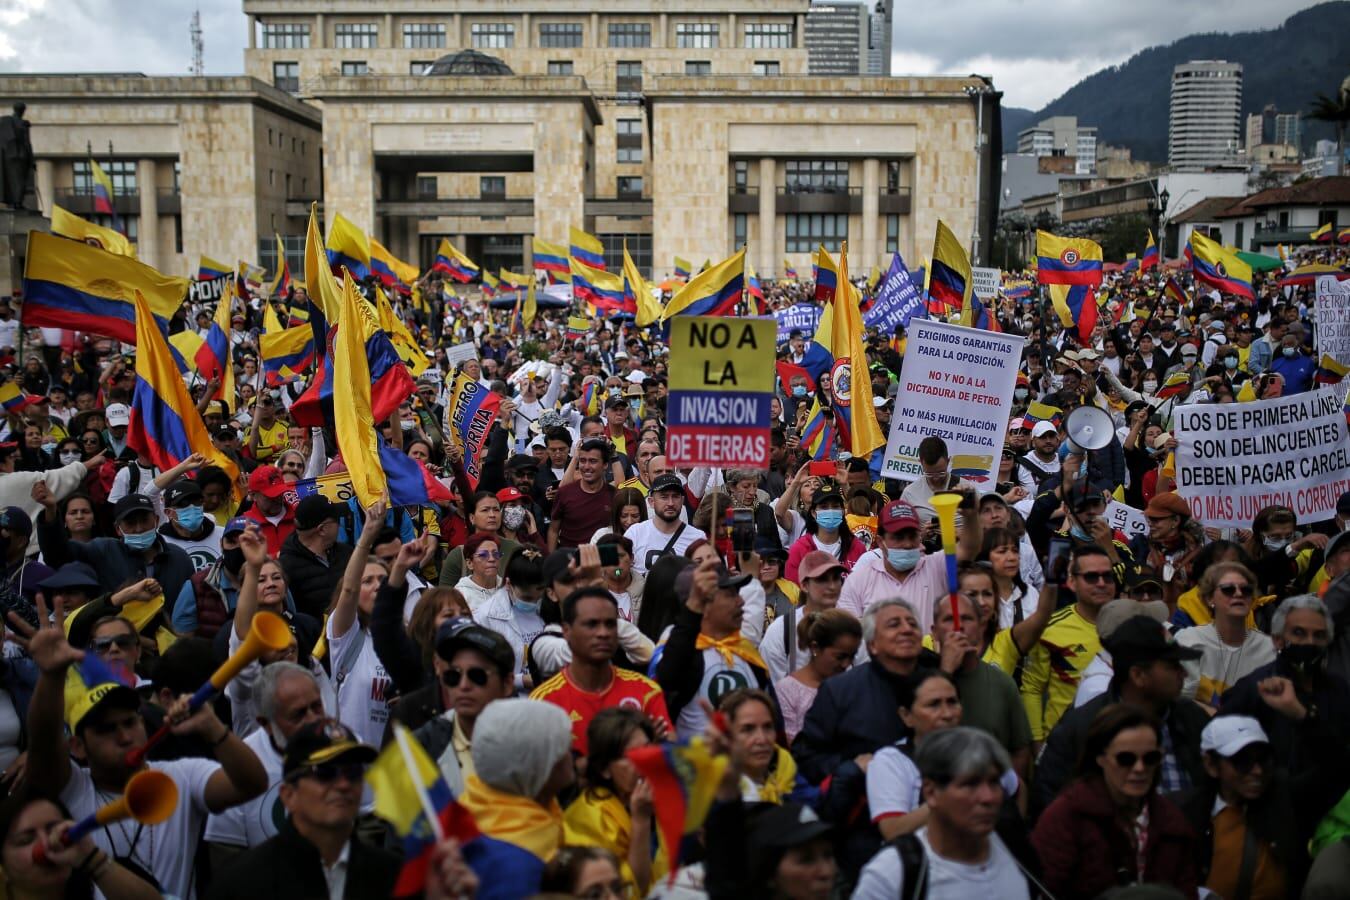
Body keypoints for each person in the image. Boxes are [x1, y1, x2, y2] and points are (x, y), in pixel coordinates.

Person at [24, 594, 268, 899]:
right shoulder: (74, 789)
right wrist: (50, 675)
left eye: (130, 722)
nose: (124, 736)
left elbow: (253, 783)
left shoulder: (182, 776)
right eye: (106, 729)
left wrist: (214, 729)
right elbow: (43, 743)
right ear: (78, 747)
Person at [204, 719, 399, 900]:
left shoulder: (395, 879)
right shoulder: (242, 884)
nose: (343, 785)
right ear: (289, 795)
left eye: (354, 772)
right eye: (325, 773)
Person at [1035, 615, 1208, 814]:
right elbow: (1050, 810)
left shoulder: (1192, 719)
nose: (1183, 674)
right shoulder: (1081, 730)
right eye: (1172, 666)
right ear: (1138, 676)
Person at [1032, 705, 1199, 900]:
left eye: (1150, 758)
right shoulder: (1066, 817)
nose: (1139, 768)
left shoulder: (1172, 822)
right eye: (1126, 759)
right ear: (1100, 759)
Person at [1174, 714, 1350, 900]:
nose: (1256, 771)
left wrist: (1302, 715)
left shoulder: (1285, 798)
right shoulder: (1186, 813)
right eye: (1242, 762)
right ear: (1211, 764)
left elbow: (1338, 767)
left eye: (1263, 760)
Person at [852, 728, 1034, 900]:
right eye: (970, 784)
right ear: (931, 793)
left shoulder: (1014, 854)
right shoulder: (892, 874)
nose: (988, 798)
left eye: (994, 783)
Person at [864, 670, 1022, 841]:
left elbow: (1018, 789)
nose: (947, 714)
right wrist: (951, 795)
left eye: (952, 702)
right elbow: (893, 831)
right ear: (907, 716)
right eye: (934, 705)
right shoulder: (892, 762)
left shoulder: (981, 751)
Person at [793, 597, 934, 783]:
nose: (907, 630)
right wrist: (852, 767)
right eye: (894, 625)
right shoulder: (839, 691)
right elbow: (808, 757)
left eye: (912, 624)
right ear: (872, 644)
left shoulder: (938, 681)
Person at [204, 661, 328, 858]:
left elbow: (367, 825)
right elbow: (226, 857)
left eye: (317, 706)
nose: (313, 719)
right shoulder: (238, 769)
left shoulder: (349, 746)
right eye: (299, 714)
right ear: (265, 723)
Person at [530, 586, 671, 754]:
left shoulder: (646, 692)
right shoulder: (543, 703)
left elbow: (672, 762)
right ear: (566, 631)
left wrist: (653, 751)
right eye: (592, 624)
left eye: (610, 624)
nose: (603, 633)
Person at [459, 699, 575, 899]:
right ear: (537, 765)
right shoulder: (516, 867)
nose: (570, 754)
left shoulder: (479, 803)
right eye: (560, 747)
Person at [1219, 594, 1350, 772]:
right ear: (1277, 639)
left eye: (1319, 635)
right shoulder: (1253, 689)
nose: (1310, 642)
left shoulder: (1340, 690)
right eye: (1299, 633)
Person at [655, 560, 773, 739]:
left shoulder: (747, 653)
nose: (741, 601)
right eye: (730, 594)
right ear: (704, 604)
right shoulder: (682, 654)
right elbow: (667, 678)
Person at [36, 493, 195, 620]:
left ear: (157, 520)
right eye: (130, 523)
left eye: (144, 521)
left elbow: (191, 607)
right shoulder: (103, 550)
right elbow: (57, 555)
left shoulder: (180, 558)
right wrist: (50, 512)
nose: (138, 528)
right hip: (116, 646)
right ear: (118, 529)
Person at [1020, 544, 1116, 748]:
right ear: (1072, 582)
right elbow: (1032, 689)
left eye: (1107, 576)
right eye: (1091, 577)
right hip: (1064, 746)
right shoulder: (1050, 629)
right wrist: (1037, 743)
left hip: (1119, 747)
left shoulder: (1133, 624)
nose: (1101, 583)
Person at [562, 708, 665, 894]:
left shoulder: (658, 793)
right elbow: (631, 890)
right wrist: (641, 821)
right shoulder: (591, 816)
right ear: (604, 769)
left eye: (648, 748)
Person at [838, 498, 979, 632]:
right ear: (881, 542)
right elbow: (848, 628)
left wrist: (971, 516)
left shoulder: (936, 567)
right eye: (898, 537)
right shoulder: (858, 580)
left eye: (912, 536)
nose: (907, 544)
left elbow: (969, 548)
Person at [409, 619, 516, 796]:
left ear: (507, 683)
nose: (464, 685)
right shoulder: (423, 746)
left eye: (477, 675)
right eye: (453, 675)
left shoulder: (531, 744)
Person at [930, 592, 1032, 773]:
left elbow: (1020, 750)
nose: (958, 626)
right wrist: (946, 670)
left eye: (967, 619)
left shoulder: (1002, 683)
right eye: (948, 619)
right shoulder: (921, 681)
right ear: (934, 632)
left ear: (980, 629)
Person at [0, 788, 162, 900]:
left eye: (54, 830)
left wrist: (94, 861)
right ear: (3, 866)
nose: (48, 844)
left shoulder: (108, 884)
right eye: (26, 841)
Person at [326, 501, 394, 748]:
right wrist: (366, 537)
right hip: (352, 764)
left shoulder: (404, 639)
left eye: (382, 579)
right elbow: (349, 588)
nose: (377, 585)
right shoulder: (347, 634)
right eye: (368, 581)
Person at [1174, 562, 1276, 709]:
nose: (1239, 593)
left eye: (1246, 590)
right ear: (1210, 598)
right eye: (1228, 589)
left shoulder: (1268, 648)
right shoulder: (1189, 640)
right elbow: (1180, 702)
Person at [760, 550, 846, 684]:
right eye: (822, 579)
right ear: (805, 585)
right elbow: (776, 690)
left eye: (836, 578)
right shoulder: (781, 631)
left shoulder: (849, 626)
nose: (832, 586)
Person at [775, 609, 861, 743]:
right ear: (815, 648)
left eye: (852, 657)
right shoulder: (787, 690)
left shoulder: (853, 687)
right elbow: (791, 743)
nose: (846, 664)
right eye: (840, 657)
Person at [278, 495, 353, 621]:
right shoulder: (285, 568)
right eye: (336, 520)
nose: (340, 525)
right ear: (322, 529)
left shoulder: (347, 553)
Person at [624, 473, 703, 576]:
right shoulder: (634, 534)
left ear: (682, 501)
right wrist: (620, 572)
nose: (670, 503)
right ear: (651, 502)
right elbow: (618, 572)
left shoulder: (697, 538)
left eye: (675, 496)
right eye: (664, 497)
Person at [784, 482, 863, 583]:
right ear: (813, 513)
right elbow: (793, 592)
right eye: (824, 507)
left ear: (843, 511)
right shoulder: (798, 550)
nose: (830, 511)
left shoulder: (857, 547)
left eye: (835, 506)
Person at [549, 438, 617, 551]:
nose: (586, 466)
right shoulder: (564, 493)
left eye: (593, 461)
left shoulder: (614, 496)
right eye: (583, 461)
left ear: (605, 465)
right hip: (569, 561)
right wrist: (550, 563)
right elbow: (553, 530)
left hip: (602, 561)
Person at [239, 465, 297, 556]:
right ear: (253, 495)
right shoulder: (244, 525)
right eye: (270, 496)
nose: (277, 499)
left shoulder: (299, 517)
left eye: (280, 493)